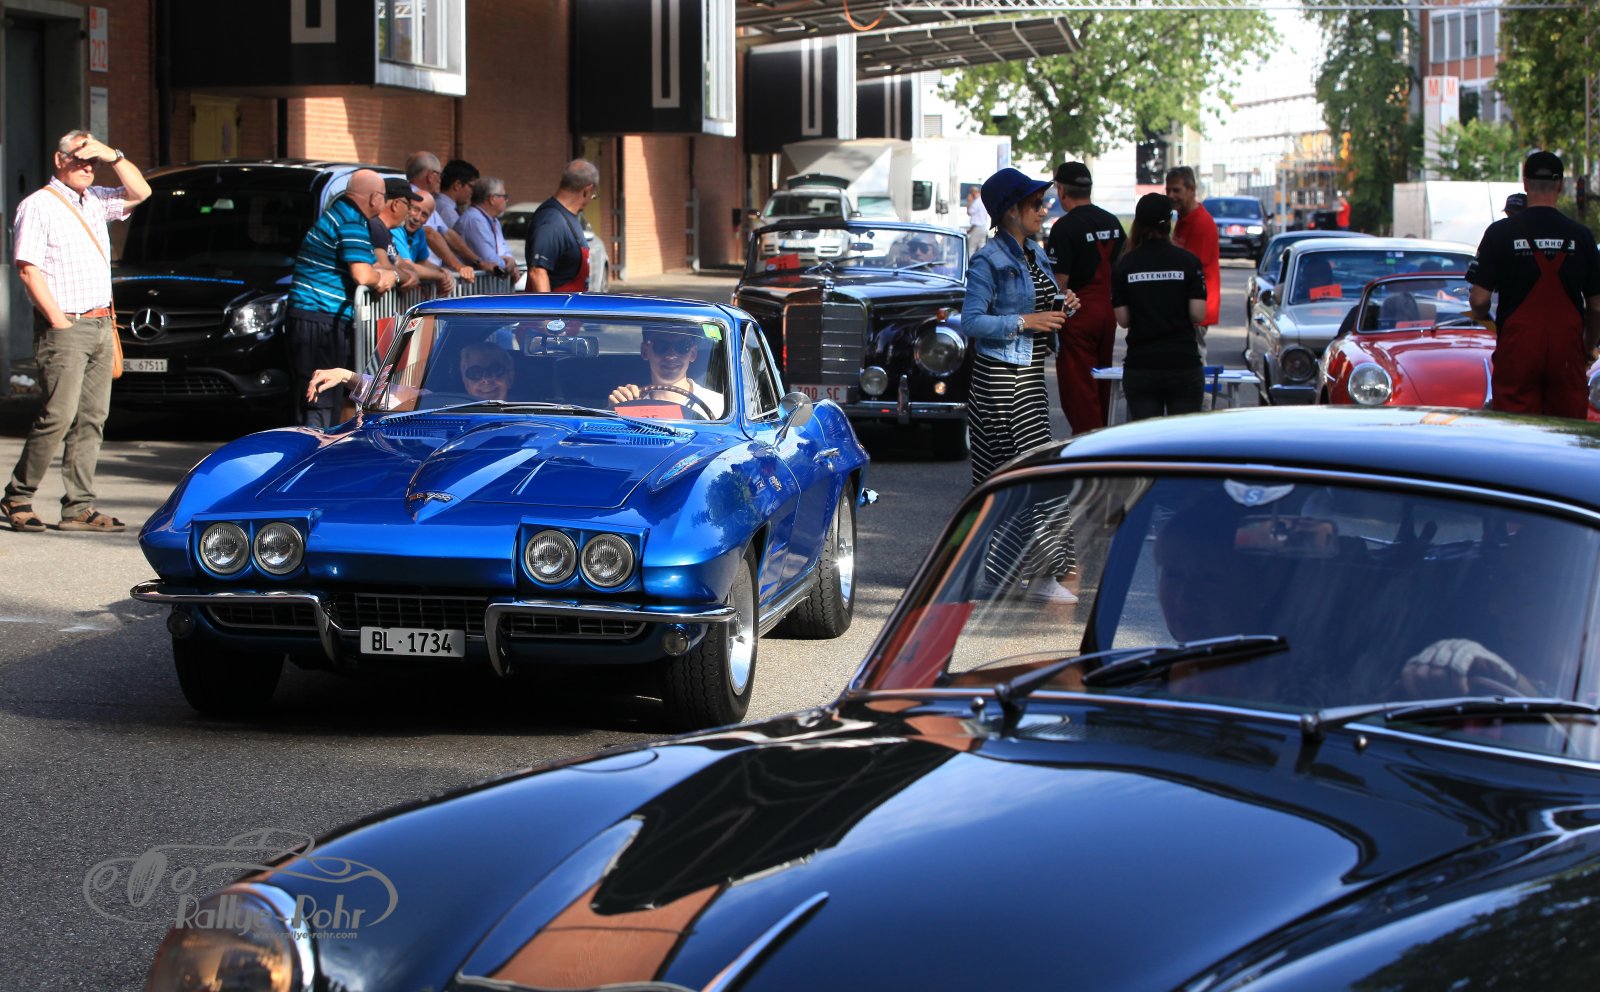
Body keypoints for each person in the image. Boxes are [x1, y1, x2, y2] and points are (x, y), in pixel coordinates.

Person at [2, 130, 150, 533]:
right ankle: (18, 495)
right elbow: (28, 269)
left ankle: (78, 507)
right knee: (58, 415)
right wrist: (58, 320)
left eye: (93, 162)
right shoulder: (38, 205)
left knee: (92, 418)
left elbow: (141, 192)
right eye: (79, 159)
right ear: (59, 159)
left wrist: (113, 154)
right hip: (67, 325)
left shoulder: (96, 199)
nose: (87, 167)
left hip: (102, 324)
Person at [961, 167, 1081, 604]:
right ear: (1010, 210)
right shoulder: (988, 259)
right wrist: (1025, 321)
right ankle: (1045, 573)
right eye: (1035, 203)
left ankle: (1001, 576)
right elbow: (971, 321)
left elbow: (1042, 306)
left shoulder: (1035, 252)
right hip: (1001, 380)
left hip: (1027, 377)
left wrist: (1064, 305)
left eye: (1043, 201)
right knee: (1028, 475)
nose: (1043, 209)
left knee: (1012, 477)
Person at [1467, 151, 1600, 419]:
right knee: (1566, 431)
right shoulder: (1582, 236)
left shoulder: (1499, 234)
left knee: (1517, 431)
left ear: (1525, 183)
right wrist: (1587, 346)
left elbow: (1479, 301)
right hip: (1566, 355)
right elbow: (1596, 307)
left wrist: (1488, 321)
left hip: (1518, 352)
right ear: (1560, 185)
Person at [286, 168, 397, 428]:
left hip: (317, 315)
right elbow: (362, 274)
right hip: (319, 317)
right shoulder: (351, 221)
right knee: (320, 395)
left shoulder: (345, 215)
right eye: (383, 196)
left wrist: (382, 273)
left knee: (327, 393)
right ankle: (315, 444)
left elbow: (367, 265)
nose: (383, 202)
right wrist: (383, 278)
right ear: (374, 198)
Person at [1046, 161, 1126, 435]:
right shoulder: (1112, 222)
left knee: (1079, 389)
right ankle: (1101, 438)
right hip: (1107, 311)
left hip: (1078, 312)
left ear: (1061, 190)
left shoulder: (1064, 227)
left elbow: (1059, 282)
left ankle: (1086, 444)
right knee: (1102, 382)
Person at [1111, 193, 1207, 422]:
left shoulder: (1124, 264)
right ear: (1169, 223)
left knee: (1145, 438)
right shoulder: (1189, 262)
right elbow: (1198, 313)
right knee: (1183, 437)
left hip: (1142, 364)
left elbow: (1123, 319)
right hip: (1183, 362)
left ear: (1138, 223)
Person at [307, 337, 517, 408]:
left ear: (510, 376)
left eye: (495, 371)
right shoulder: (439, 403)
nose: (486, 379)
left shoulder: (536, 409)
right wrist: (345, 375)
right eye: (475, 373)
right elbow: (390, 394)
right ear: (464, 379)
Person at [606, 328, 725, 419]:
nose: (671, 356)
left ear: (693, 353)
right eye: (661, 346)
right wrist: (614, 410)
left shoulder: (719, 406)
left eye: (682, 346)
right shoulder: (629, 403)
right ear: (645, 351)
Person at [1166, 166, 1221, 348]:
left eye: (1176, 190)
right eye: (1168, 190)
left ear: (1191, 190)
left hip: (1196, 306)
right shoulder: (1184, 218)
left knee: (1194, 356)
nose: (1171, 195)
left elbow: (1190, 270)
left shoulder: (1201, 224)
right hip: (1187, 306)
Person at [527, 159, 599, 294]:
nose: (591, 199)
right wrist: (549, 308)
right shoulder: (552, 221)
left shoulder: (568, 217)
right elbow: (537, 272)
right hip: (557, 305)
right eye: (593, 195)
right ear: (587, 190)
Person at [405, 151, 476, 284]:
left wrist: (477, 261)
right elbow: (430, 233)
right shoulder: (415, 198)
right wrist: (459, 266)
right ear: (430, 176)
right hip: (417, 276)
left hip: (426, 273)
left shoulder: (425, 198)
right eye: (439, 175)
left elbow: (447, 233)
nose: (440, 180)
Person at [454, 176, 520, 282]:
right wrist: (510, 266)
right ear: (492, 199)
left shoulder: (494, 221)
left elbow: (504, 250)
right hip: (469, 287)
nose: (507, 200)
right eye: (504, 196)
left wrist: (510, 261)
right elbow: (489, 259)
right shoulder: (474, 220)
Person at [396, 191, 458, 294]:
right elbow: (407, 265)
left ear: (427, 220)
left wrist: (444, 272)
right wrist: (439, 275)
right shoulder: (396, 227)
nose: (417, 218)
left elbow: (422, 262)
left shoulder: (419, 232)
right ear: (408, 207)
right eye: (415, 209)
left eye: (424, 215)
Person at [371, 177, 422, 292]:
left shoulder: (386, 231)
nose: (409, 212)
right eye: (408, 206)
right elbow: (382, 264)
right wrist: (407, 277)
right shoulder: (376, 226)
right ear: (395, 204)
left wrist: (412, 273)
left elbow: (399, 262)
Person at [965, 186, 989, 257]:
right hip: (983, 227)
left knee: (971, 248)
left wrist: (969, 202)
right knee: (981, 247)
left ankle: (970, 262)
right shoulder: (983, 201)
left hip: (978, 227)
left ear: (973, 193)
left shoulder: (977, 202)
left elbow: (969, 212)